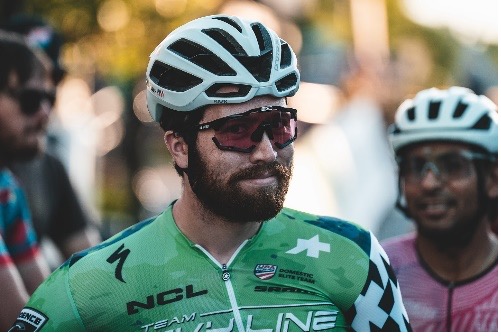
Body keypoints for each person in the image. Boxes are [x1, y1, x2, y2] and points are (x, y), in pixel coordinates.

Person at [10, 15, 411, 332]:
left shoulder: (355, 255)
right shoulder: (87, 285)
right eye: (238, 131)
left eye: (280, 124)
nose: (267, 150)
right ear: (179, 147)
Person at [382, 86, 498, 332]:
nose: (429, 183)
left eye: (452, 165)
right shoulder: (375, 270)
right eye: (416, 166)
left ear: (492, 179)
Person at [1, 14, 102, 267]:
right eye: (29, 95)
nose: (45, 110)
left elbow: (92, 266)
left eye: (52, 87)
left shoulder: (47, 168)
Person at [0, 31, 52, 331]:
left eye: (49, 99)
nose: (45, 113)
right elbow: (21, 326)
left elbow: (49, 304)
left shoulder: (6, 185)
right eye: (31, 99)